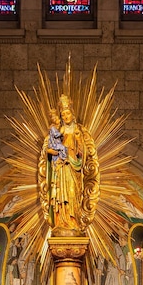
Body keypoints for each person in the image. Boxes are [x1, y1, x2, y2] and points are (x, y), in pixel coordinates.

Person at [38, 93, 100, 234]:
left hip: (74, 168)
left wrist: (78, 143)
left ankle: (74, 223)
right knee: (60, 198)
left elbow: (84, 155)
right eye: (63, 114)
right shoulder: (59, 131)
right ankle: (61, 222)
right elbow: (50, 150)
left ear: (72, 114)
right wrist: (54, 153)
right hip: (60, 169)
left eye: (67, 113)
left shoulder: (79, 131)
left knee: (73, 194)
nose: (66, 117)